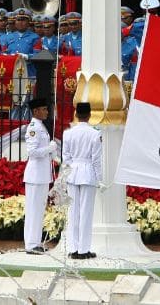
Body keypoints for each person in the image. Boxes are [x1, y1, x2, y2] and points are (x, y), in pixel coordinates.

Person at [62, 102, 102, 259]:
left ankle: (73, 248)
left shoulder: (68, 133)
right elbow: (96, 159)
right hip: (87, 173)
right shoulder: (95, 133)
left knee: (73, 212)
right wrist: (100, 179)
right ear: (90, 115)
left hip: (73, 172)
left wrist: (67, 174)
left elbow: (66, 157)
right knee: (86, 212)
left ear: (76, 115)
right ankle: (83, 249)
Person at [23, 98, 58, 254]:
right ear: (36, 111)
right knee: (33, 210)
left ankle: (35, 242)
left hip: (42, 175)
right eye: (44, 109)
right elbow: (32, 152)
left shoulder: (40, 126)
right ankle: (30, 244)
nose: (47, 112)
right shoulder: (34, 128)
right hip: (35, 175)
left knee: (38, 210)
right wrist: (49, 148)